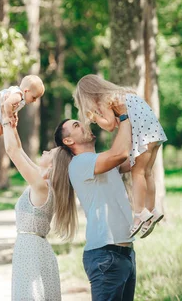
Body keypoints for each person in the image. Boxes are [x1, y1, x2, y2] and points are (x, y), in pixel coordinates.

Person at [54, 99, 136, 301]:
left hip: (125, 252)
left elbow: (134, 158)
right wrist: (123, 116)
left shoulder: (101, 161)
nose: (83, 124)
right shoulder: (80, 164)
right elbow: (120, 153)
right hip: (106, 256)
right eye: (76, 125)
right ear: (68, 141)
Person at [73, 74, 167, 237]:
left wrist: (95, 116)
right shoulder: (119, 94)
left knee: (137, 172)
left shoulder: (104, 100)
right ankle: (152, 210)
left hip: (142, 133)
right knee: (147, 173)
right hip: (153, 130)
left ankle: (139, 213)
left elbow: (109, 125)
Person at [1, 100, 74, 301]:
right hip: (35, 249)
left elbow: (12, 152)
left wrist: (5, 117)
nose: (45, 151)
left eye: (50, 153)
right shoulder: (42, 183)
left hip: (31, 251)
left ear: (53, 166)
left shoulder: (42, 187)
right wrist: (13, 125)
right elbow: (18, 149)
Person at [0, 75, 45, 149]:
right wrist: (10, 117)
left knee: (1, 130)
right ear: (26, 91)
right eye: (34, 97)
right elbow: (7, 104)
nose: (34, 100)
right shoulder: (17, 96)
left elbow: (12, 107)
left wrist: (14, 114)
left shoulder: (19, 96)